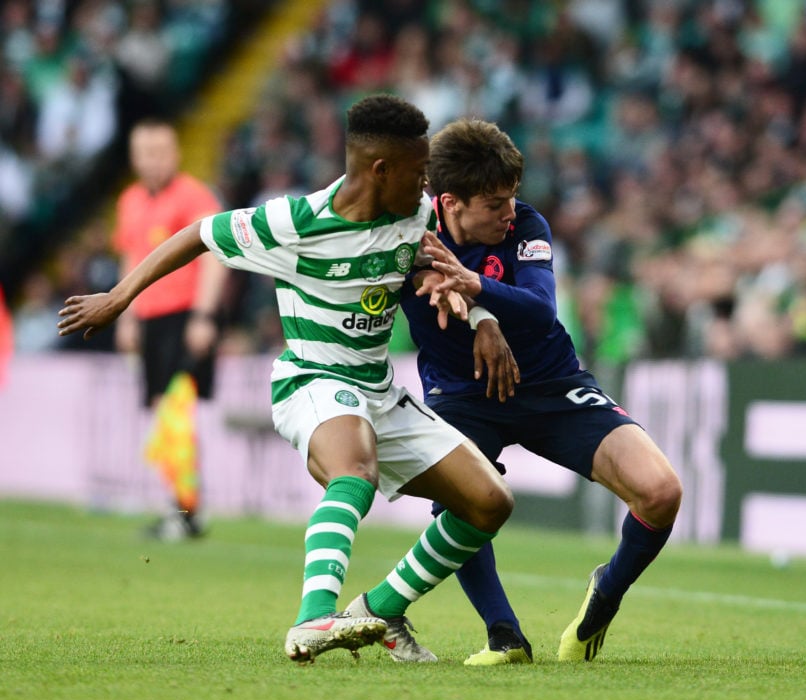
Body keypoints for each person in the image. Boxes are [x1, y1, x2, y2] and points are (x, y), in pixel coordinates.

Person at [59, 94, 514, 663]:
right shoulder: (294, 223)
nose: (425, 184)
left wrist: (481, 316)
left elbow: (437, 265)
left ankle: (380, 609)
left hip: (378, 388)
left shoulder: (415, 213)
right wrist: (117, 298)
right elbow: (200, 233)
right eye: (418, 170)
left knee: (490, 502)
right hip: (312, 380)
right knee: (355, 470)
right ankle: (313, 619)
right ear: (380, 170)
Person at [400, 118, 683, 664]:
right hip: (461, 394)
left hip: (552, 383)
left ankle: (607, 591)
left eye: (512, 197)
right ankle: (503, 635)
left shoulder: (527, 226)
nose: (510, 212)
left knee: (661, 492)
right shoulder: (405, 234)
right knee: (459, 501)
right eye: (494, 203)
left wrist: (474, 287)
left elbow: (539, 307)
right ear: (451, 203)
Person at [112, 118, 226, 540]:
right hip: (150, 320)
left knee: (175, 412)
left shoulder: (194, 196)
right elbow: (130, 259)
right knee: (166, 413)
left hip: (185, 315)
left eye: (160, 152)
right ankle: (180, 507)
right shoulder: (130, 201)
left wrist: (204, 315)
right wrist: (124, 315)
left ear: (175, 153)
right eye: (145, 153)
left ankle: (187, 510)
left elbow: (214, 256)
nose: (153, 161)